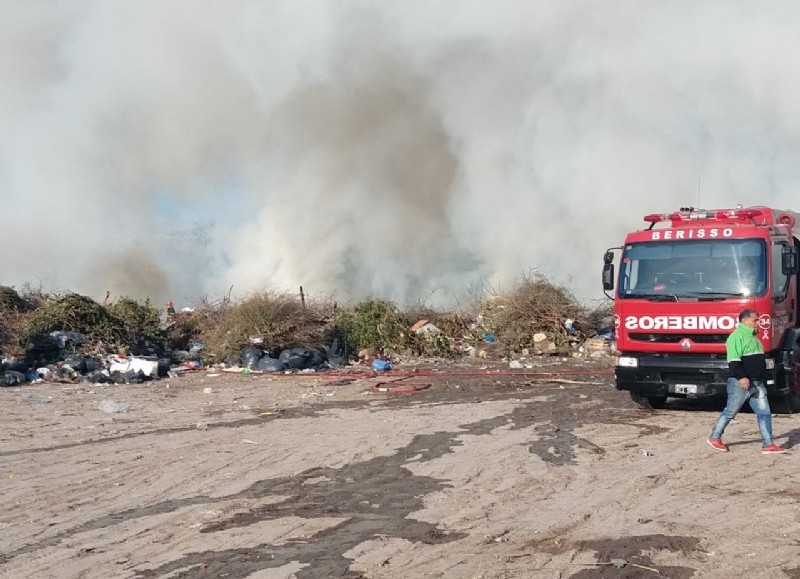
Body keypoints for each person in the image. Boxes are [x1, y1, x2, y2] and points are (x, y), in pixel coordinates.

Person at [707, 309, 787, 454]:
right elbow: (733, 361)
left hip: (757, 383)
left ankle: (768, 444)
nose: (758, 323)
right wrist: (742, 377)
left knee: (765, 412)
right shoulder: (736, 337)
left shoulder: (755, 339)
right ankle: (714, 437)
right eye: (755, 320)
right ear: (745, 321)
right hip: (741, 383)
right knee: (731, 411)